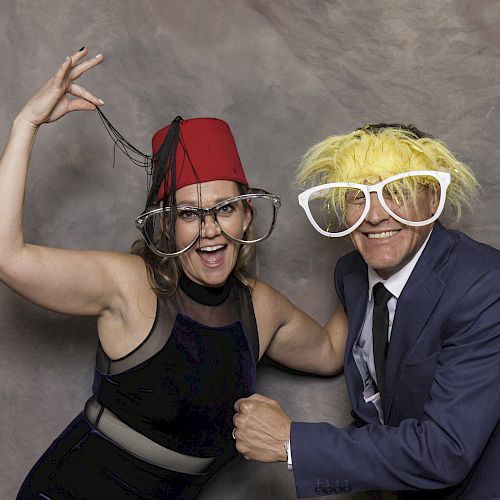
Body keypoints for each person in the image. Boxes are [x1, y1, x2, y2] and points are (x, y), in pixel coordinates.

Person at [1, 49, 348, 499]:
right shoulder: (128, 286)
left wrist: (370, 256)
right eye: (189, 214)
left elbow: (330, 352)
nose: (210, 230)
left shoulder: (260, 305)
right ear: (166, 225)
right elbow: (8, 257)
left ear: (246, 215)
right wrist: (25, 123)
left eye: (224, 209)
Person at [233, 123, 500, 498]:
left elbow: (445, 452)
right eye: (358, 195)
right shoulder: (353, 273)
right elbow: (348, 360)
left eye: (396, 191)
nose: (374, 215)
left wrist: (292, 443)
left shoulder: (485, 286)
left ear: (431, 195)